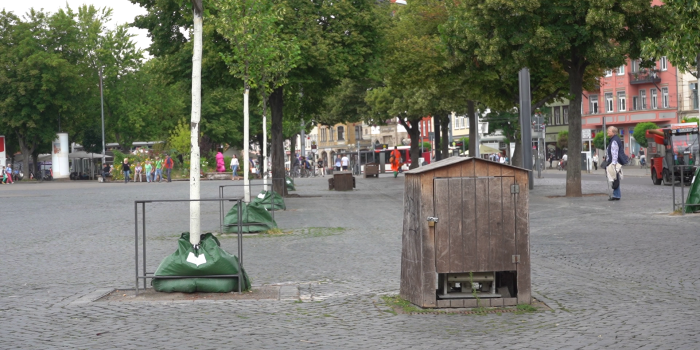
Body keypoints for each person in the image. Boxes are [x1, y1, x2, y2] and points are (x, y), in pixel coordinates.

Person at [606, 126, 624, 201]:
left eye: (609, 131)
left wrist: (613, 164)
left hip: (614, 162)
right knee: (615, 178)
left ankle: (616, 195)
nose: (607, 132)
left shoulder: (614, 141)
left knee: (615, 178)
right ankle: (616, 194)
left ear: (613, 132)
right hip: (615, 162)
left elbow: (615, 153)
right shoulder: (614, 139)